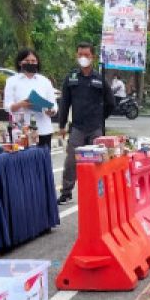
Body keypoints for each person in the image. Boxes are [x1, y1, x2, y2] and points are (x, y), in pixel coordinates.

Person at [56, 42, 115, 205]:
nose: (83, 58)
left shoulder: (100, 79)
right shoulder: (71, 78)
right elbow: (64, 103)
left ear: (92, 57)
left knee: (98, 161)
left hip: (95, 128)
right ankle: (66, 192)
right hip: (77, 128)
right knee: (71, 161)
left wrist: (101, 117)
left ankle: (99, 192)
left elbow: (111, 102)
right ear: (77, 56)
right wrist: (61, 125)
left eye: (86, 55)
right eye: (80, 55)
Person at [4, 47, 57, 149]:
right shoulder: (12, 81)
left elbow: (53, 104)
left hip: (43, 129)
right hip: (21, 131)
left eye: (33, 61)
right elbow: (7, 106)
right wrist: (21, 104)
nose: (30, 63)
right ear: (20, 63)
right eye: (27, 61)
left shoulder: (45, 81)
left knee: (42, 161)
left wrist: (52, 111)